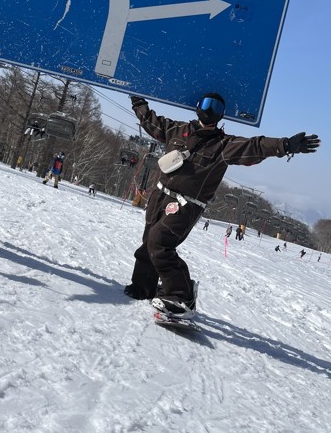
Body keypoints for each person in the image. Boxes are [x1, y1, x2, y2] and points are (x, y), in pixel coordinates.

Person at [123, 92, 320, 319]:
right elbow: (151, 121)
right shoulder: (176, 130)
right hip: (160, 195)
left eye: (216, 107)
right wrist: (138, 100)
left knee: (160, 242)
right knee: (149, 240)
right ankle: (143, 286)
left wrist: (284, 145)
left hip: (186, 204)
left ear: (221, 115)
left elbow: (254, 146)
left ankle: (181, 296)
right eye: (207, 104)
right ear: (198, 107)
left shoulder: (223, 145)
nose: (210, 110)